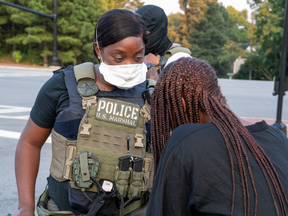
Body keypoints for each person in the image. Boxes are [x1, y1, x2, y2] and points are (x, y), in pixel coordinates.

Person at [13, 9, 154, 216]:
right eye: (118, 57)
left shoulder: (151, 95)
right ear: (98, 49)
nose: (129, 65)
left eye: (138, 57)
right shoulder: (62, 85)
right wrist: (25, 206)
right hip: (65, 210)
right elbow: (29, 143)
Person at [147, 57, 288, 215]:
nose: (172, 129)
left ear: (183, 105)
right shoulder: (278, 138)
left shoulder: (186, 141)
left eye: (170, 120)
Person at [136, 5, 191, 80]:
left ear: (157, 32)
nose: (139, 40)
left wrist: (150, 66)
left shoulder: (181, 62)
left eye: (145, 34)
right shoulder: (137, 60)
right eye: (135, 35)